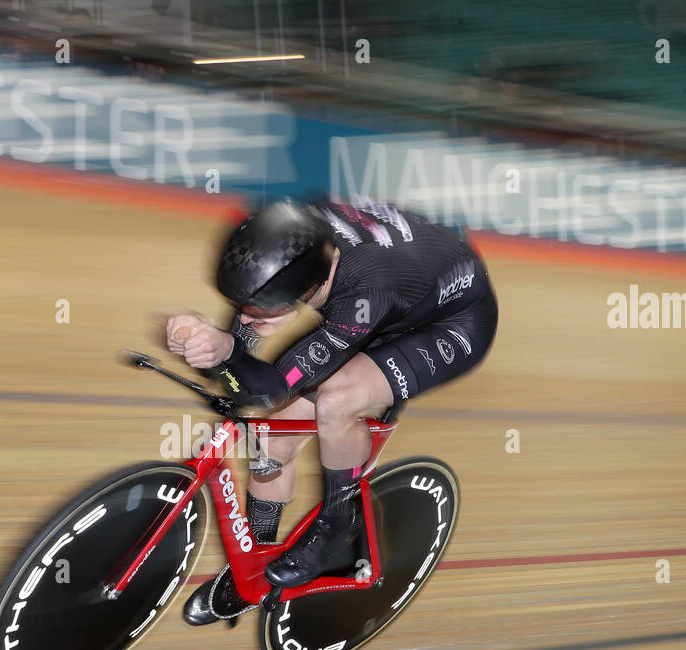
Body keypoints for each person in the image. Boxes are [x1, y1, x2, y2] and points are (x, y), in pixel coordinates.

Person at [169, 198, 497, 624]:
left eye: (261, 308)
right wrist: (207, 341)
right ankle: (252, 564)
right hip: (401, 287)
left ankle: (337, 524)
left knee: (337, 398)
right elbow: (243, 348)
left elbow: (270, 390)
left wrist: (226, 350)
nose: (247, 317)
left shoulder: (364, 292)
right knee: (271, 438)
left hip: (451, 323)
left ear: (305, 289)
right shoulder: (294, 236)